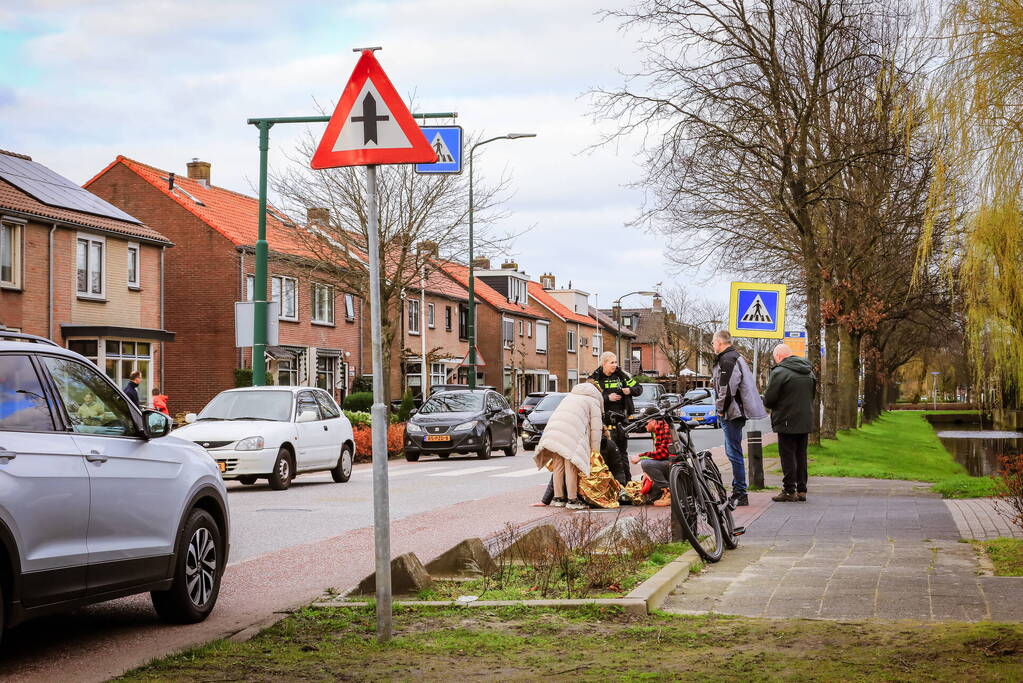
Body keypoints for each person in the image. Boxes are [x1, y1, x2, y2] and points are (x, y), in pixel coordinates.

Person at [711, 330, 767, 507]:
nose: (712, 346)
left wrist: (720, 409)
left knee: (734, 452)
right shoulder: (733, 357)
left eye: (713, 342)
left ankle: (740, 493)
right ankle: (739, 489)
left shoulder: (728, 359)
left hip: (732, 413)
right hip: (734, 411)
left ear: (719, 342)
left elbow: (727, 389)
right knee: (732, 451)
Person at [533, 381, 603, 510]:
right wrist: (595, 452)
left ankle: (558, 498)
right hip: (571, 434)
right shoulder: (593, 400)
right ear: (598, 392)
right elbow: (596, 429)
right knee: (571, 466)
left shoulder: (570, 396)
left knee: (558, 465)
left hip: (554, 431)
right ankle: (572, 499)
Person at [763, 343, 817, 502]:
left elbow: (769, 399)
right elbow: (812, 395)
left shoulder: (779, 372)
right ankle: (802, 490)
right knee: (801, 455)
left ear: (779, 356)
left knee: (787, 456)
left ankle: (789, 490)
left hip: (786, 420)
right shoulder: (809, 372)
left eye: (775, 358)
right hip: (804, 420)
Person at [589, 351, 642, 484]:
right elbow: (589, 397)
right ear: (604, 363)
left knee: (622, 453)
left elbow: (639, 388)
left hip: (621, 421)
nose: (615, 365)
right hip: (604, 422)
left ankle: (627, 483)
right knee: (606, 454)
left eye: (616, 362)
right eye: (612, 362)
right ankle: (609, 485)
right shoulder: (595, 378)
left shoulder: (622, 376)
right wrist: (607, 398)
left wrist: (629, 390)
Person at [632, 416, 675, 506]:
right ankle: (664, 492)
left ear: (653, 421)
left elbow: (663, 454)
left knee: (646, 464)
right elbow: (657, 454)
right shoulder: (656, 430)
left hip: (672, 465)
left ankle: (668, 492)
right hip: (667, 464)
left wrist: (641, 456)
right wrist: (647, 472)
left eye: (646, 423)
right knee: (651, 498)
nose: (644, 426)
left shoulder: (664, 429)